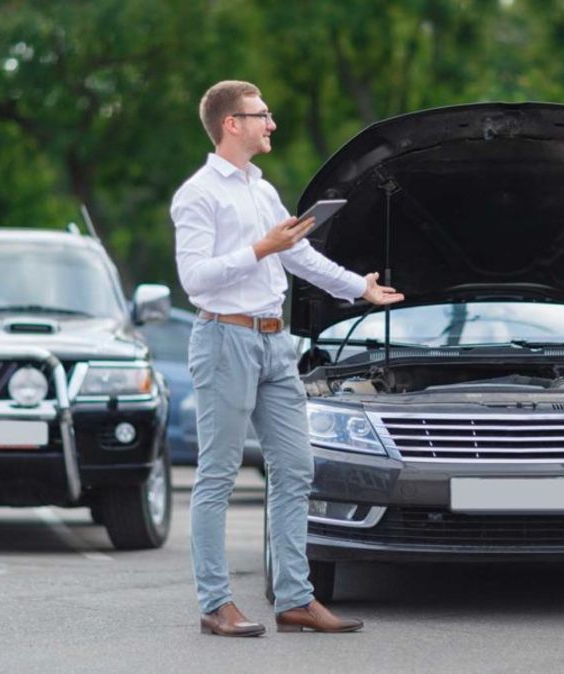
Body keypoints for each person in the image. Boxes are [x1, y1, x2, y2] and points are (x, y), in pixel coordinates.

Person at [171, 80, 403, 637]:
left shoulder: (261, 188)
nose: (271, 124)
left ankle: (296, 599)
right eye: (261, 115)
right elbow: (194, 280)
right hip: (226, 339)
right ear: (232, 124)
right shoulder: (197, 193)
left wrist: (359, 287)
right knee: (219, 476)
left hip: (277, 343)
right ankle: (215, 603)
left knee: (297, 468)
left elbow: (298, 255)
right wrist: (261, 249)